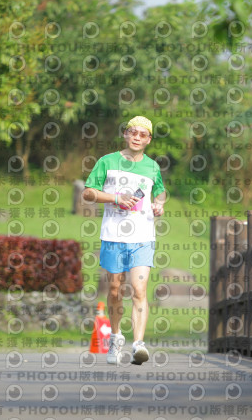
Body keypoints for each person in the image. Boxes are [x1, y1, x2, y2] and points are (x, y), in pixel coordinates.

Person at [83, 116, 167, 365]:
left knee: (139, 290)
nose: (137, 137)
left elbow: (160, 191)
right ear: (126, 134)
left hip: (143, 237)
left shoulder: (152, 167)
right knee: (115, 290)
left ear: (149, 139)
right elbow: (88, 192)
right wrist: (115, 198)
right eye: (133, 132)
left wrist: (159, 204)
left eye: (143, 134)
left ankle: (138, 344)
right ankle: (116, 337)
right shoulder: (107, 161)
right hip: (113, 236)